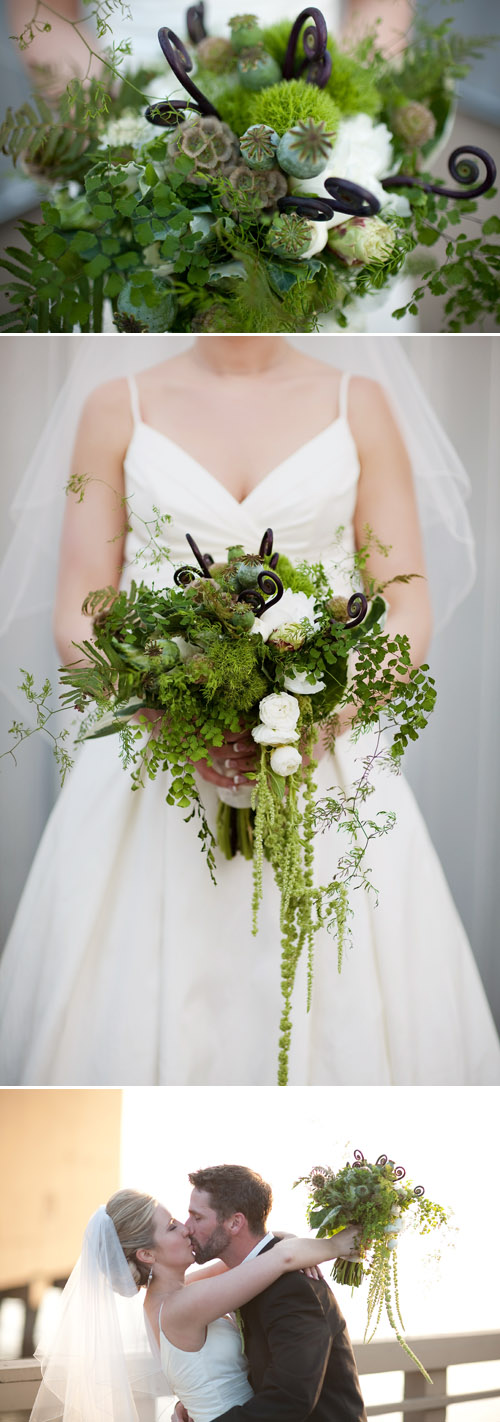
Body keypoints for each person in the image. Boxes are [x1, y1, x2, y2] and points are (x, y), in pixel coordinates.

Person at [1, 335, 499, 1086]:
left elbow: (405, 603)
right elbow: (79, 610)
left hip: (323, 753)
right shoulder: (116, 406)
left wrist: (323, 715)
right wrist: (169, 718)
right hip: (152, 753)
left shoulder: (357, 403)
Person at [29, 1183, 365, 1422]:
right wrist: (338, 1245)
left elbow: (252, 1258)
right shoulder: (184, 1306)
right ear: (147, 1253)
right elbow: (279, 1259)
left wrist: (280, 1240)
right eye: (173, 1226)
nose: (187, 1230)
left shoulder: (167, 1299)